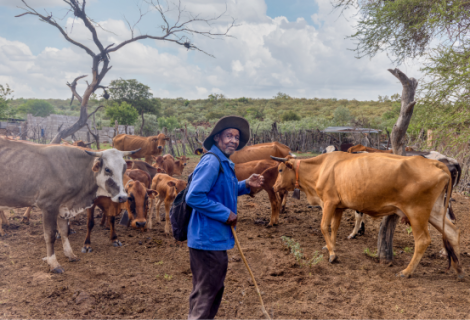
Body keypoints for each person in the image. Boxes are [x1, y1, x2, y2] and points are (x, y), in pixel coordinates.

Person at [185, 116, 264, 320]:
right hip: (207, 240)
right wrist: (225, 213)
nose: (233, 141)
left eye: (236, 137)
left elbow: (222, 191)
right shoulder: (212, 161)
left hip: (214, 239)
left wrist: (246, 184)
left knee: (208, 291)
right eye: (229, 135)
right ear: (218, 138)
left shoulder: (223, 162)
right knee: (207, 294)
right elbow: (194, 196)